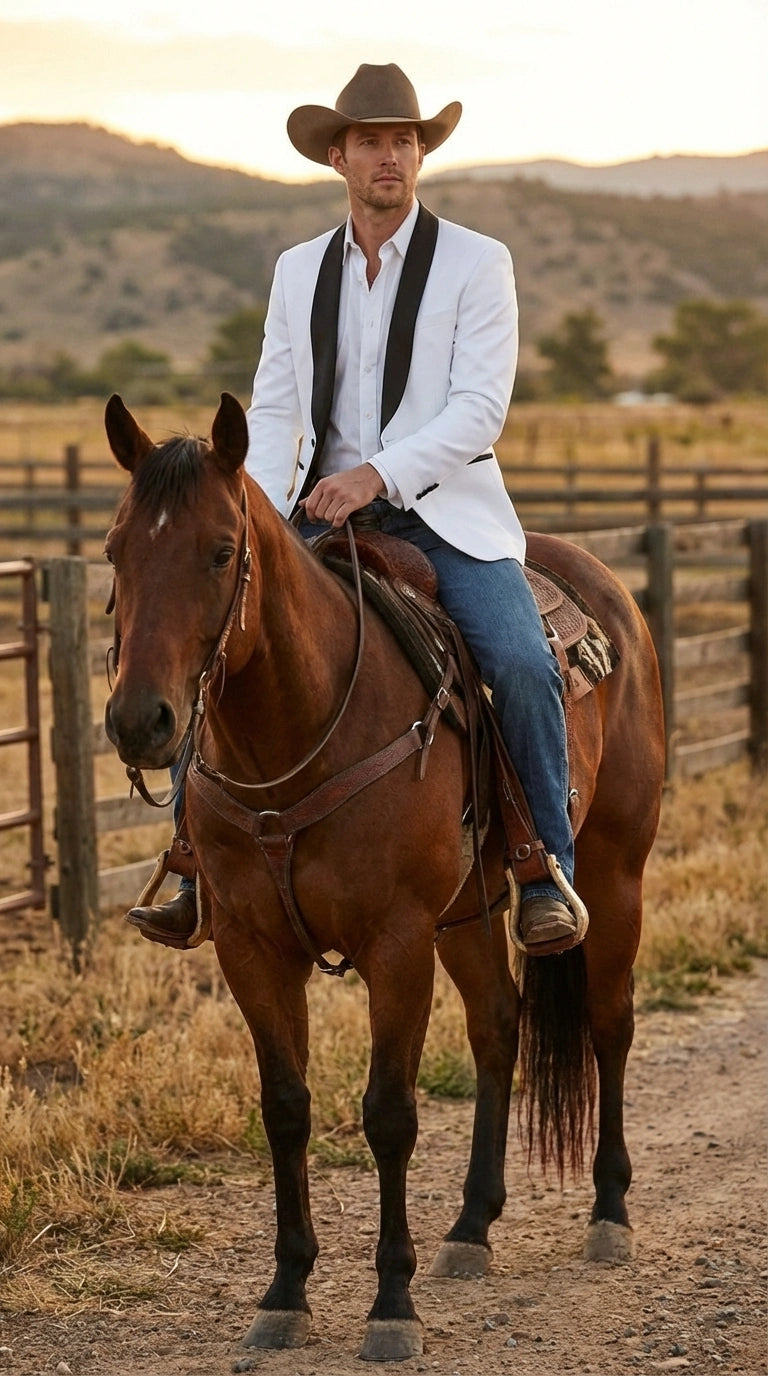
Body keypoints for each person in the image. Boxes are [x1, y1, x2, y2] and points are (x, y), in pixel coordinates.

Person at [127, 62, 585, 955]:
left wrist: (375, 476)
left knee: (523, 662)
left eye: (406, 140)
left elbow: (478, 409)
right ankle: (193, 864)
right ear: (337, 156)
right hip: (317, 516)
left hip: (446, 514)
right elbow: (271, 404)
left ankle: (542, 867)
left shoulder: (477, 263)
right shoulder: (298, 272)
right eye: (372, 141)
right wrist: (249, 499)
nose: (391, 156)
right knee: (216, 639)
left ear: (421, 154)